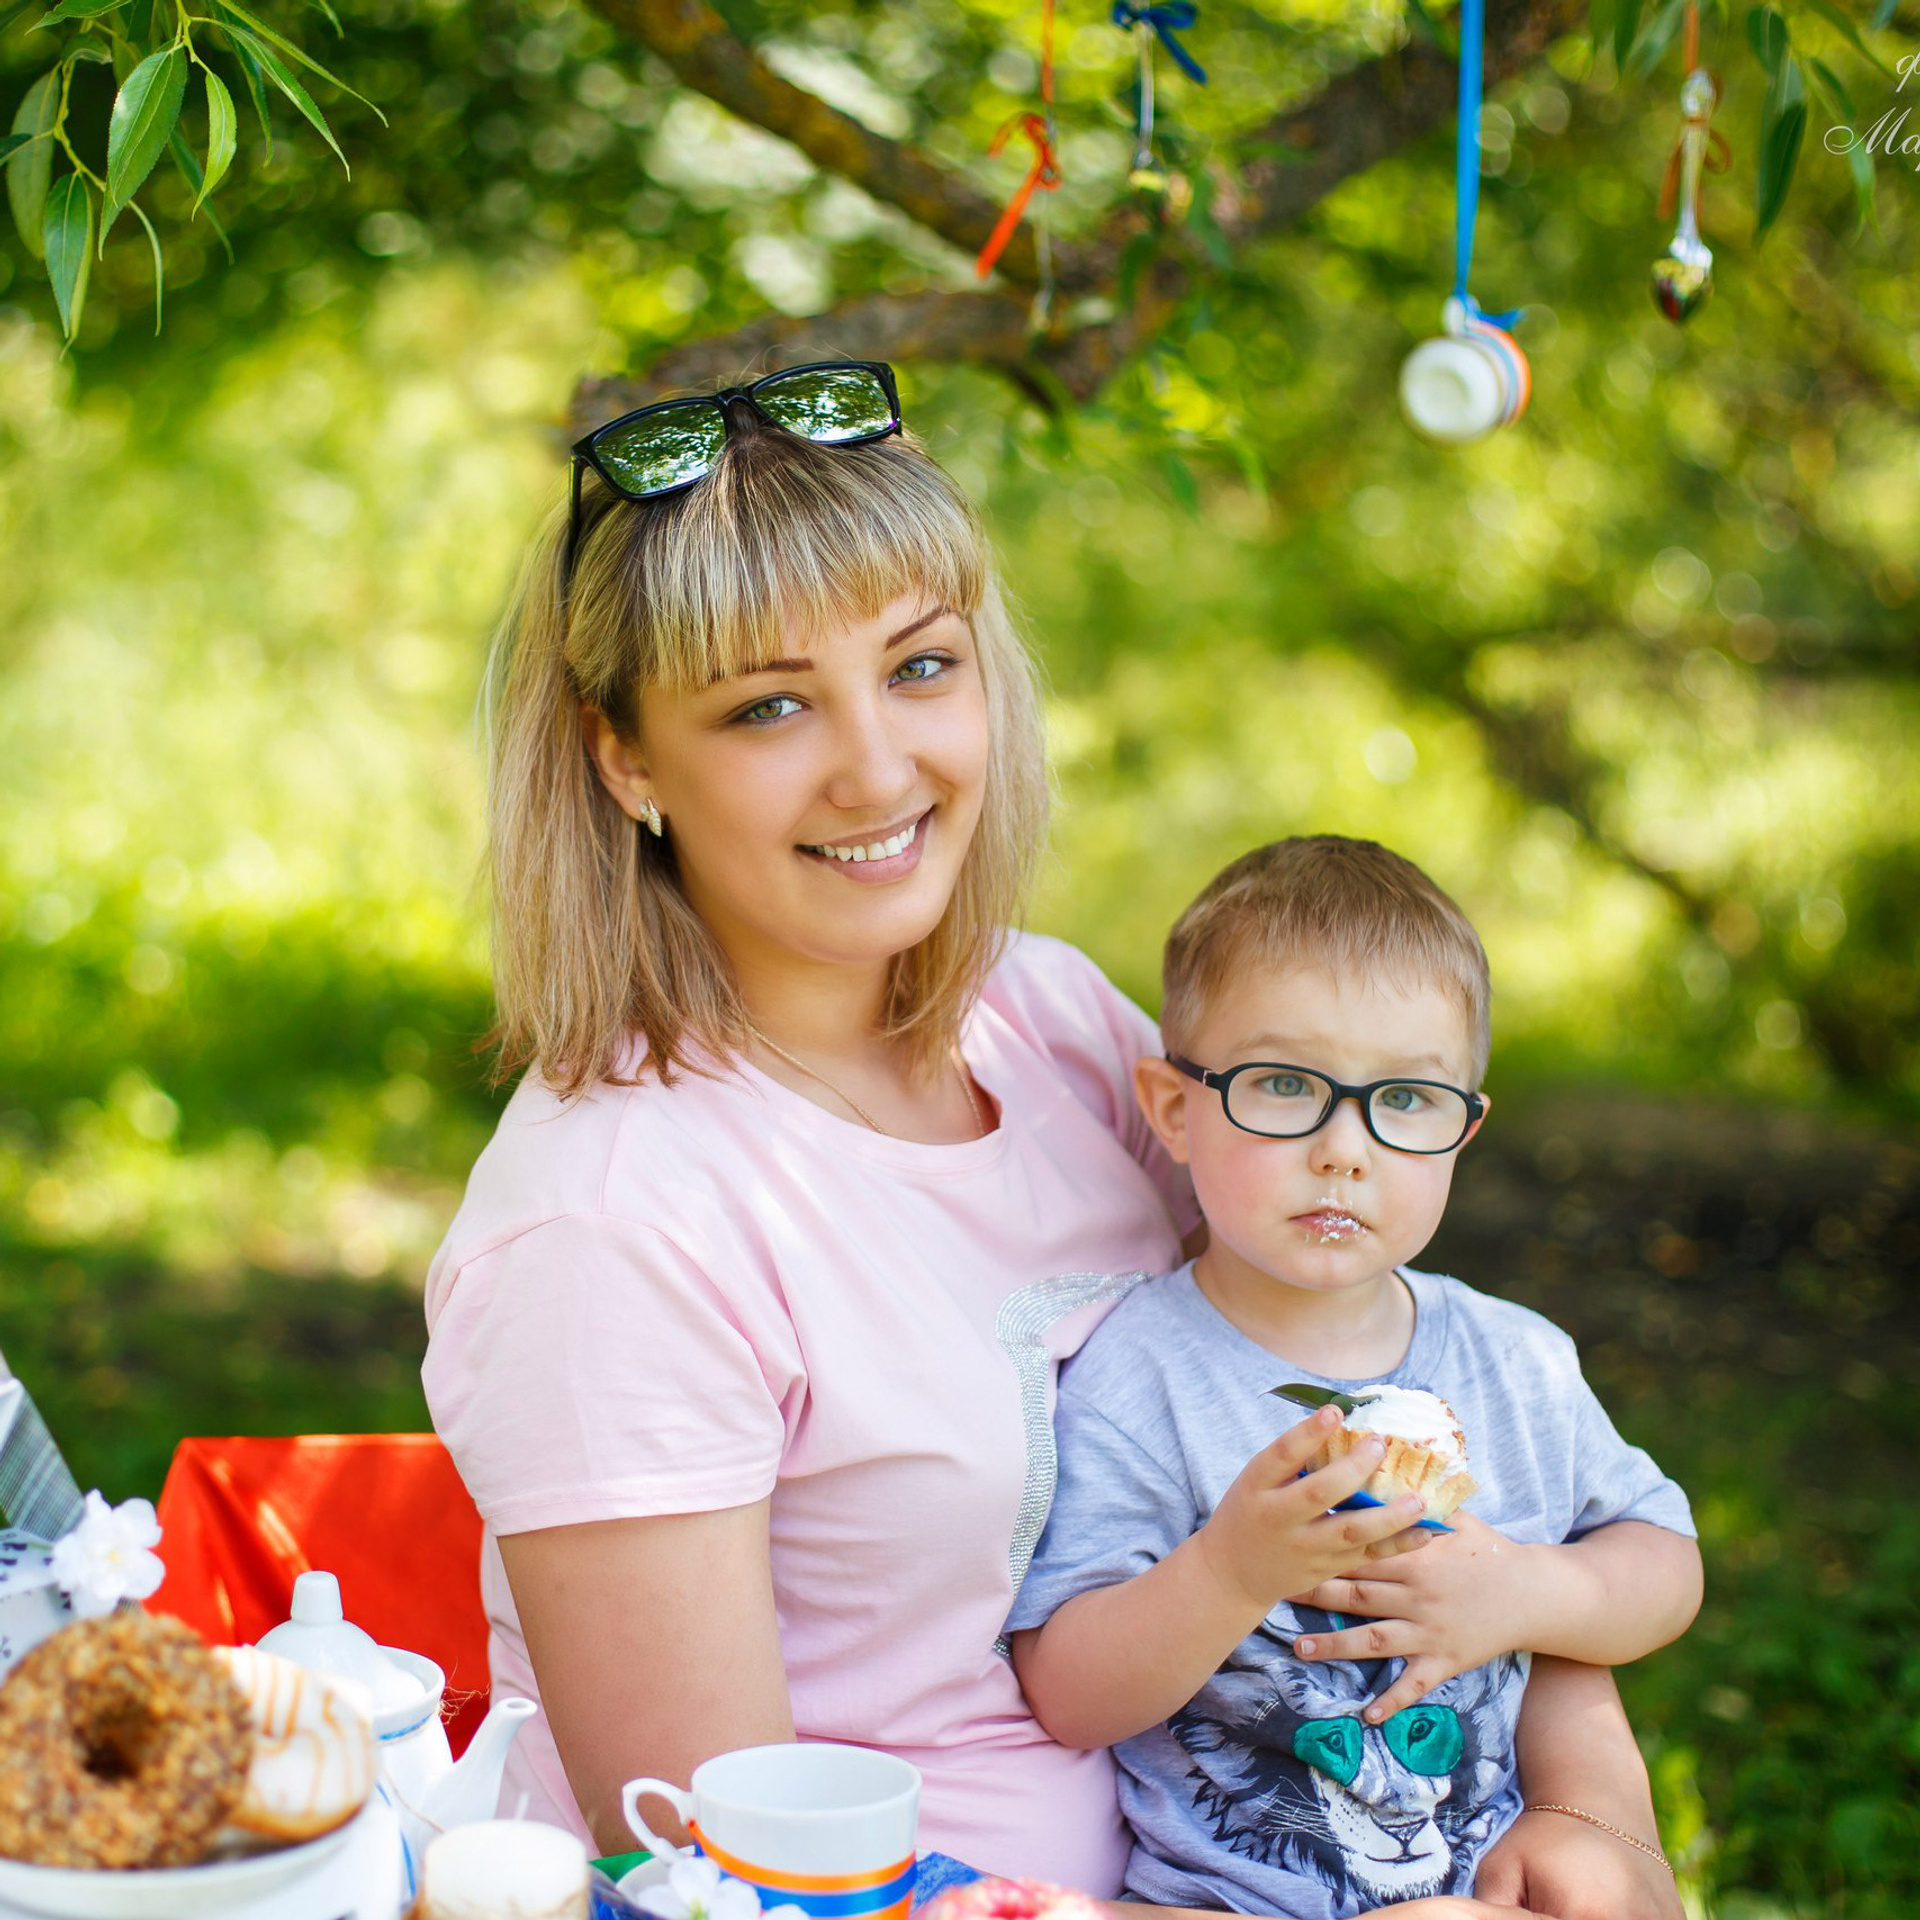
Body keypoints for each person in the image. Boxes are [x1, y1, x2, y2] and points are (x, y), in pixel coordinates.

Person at [421, 360, 1686, 1920]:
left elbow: (1463, 1453)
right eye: (769, 705)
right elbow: (715, 1872)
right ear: (625, 759)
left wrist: (1595, 1823)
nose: (879, 767)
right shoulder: (614, 1224)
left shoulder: (1048, 1020)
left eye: (921, 666)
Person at [1006, 837, 1703, 1917]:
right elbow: (1067, 1694)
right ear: (1175, 1108)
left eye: (1407, 1097)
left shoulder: (1515, 1362)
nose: (1344, 1149)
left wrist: (1529, 1592)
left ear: (1464, 1130)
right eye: (1285, 1085)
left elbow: (1664, 1561)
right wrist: (1229, 1573)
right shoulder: (1136, 1378)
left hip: (1490, 1885)